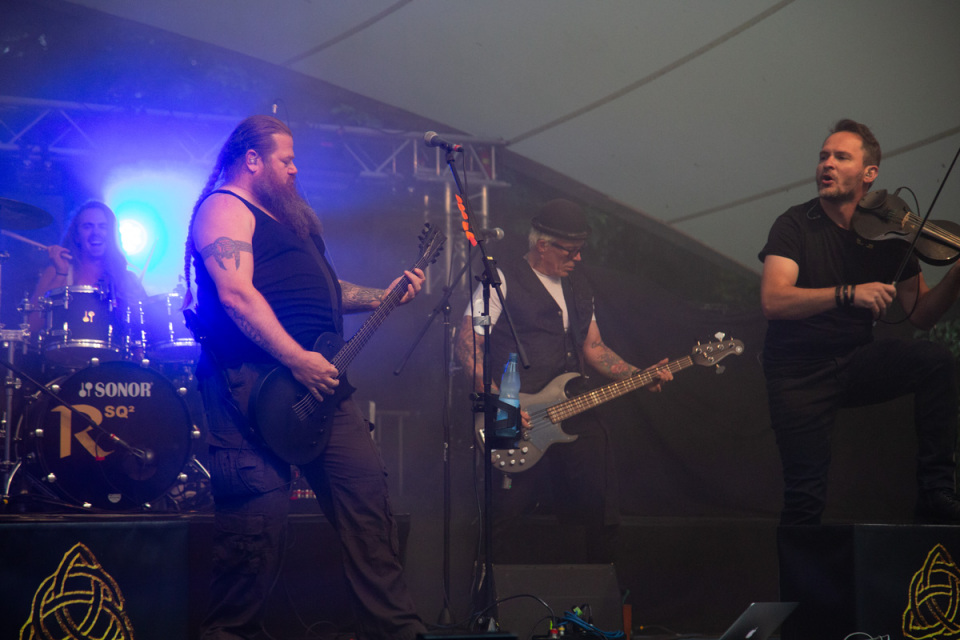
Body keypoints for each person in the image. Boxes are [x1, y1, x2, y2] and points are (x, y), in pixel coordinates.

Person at [183, 114, 427, 640]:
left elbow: (326, 290)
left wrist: (383, 297)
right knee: (253, 533)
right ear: (253, 160)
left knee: (369, 514)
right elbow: (236, 295)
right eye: (286, 160)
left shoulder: (289, 220)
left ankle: (399, 632)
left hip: (322, 389)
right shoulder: (225, 208)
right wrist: (296, 358)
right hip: (249, 389)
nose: (295, 169)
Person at [758, 118, 960, 526]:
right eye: (823, 156)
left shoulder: (891, 234)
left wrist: (957, 274)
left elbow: (922, 314)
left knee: (935, 362)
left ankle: (936, 492)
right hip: (798, 373)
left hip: (854, 361)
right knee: (804, 500)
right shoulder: (795, 224)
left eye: (841, 157)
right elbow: (774, 300)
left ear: (870, 174)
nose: (827, 164)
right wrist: (849, 293)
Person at [455, 198, 672, 565]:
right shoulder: (500, 280)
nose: (578, 258)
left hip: (572, 406)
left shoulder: (578, 286)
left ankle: (593, 586)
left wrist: (636, 374)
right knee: (504, 514)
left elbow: (594, 347)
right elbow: (467, 344)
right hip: (513, 409)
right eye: (571, 251)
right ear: (543, 245)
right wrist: (497, 403)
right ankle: (491, 594)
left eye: (580, 249)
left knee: (598, 503)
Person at [26, 200, 146, 354]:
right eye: (88, 226)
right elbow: (32, 327)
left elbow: (145, 331)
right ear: (76, 236)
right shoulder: (56, 272)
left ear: (111, 234)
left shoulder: (128, 279)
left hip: (117, 364)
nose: (96, 233)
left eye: (103, 226)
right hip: (66, 363)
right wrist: (61, 273)